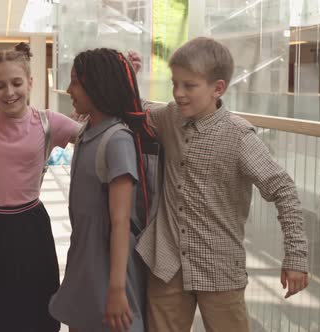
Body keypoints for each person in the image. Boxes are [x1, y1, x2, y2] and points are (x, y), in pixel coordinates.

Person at [131, 37, 309, 331]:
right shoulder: (169, 117)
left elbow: (284, 190)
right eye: (175, 83)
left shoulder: (239, 137)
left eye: (189, 86)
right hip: (167, 265)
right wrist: (128, 71)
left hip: (220, 271)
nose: (178, 93)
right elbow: (134, 108)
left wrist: (296, 257)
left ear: (218, 88)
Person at [0, 42, 80, 332]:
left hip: (29, 228)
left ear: (30, 82)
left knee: (32, 314)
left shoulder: (49, 123)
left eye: (16, 83)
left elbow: (96, 137)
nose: (9, 93)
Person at [48, 48, 146, 332]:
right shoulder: (87, 132)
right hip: (84, 262)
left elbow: (120, 222)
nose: (68, 90)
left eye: (76, 82)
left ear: (98, 86)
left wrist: (116, 290)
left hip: (110, 270)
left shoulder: (117, 141)